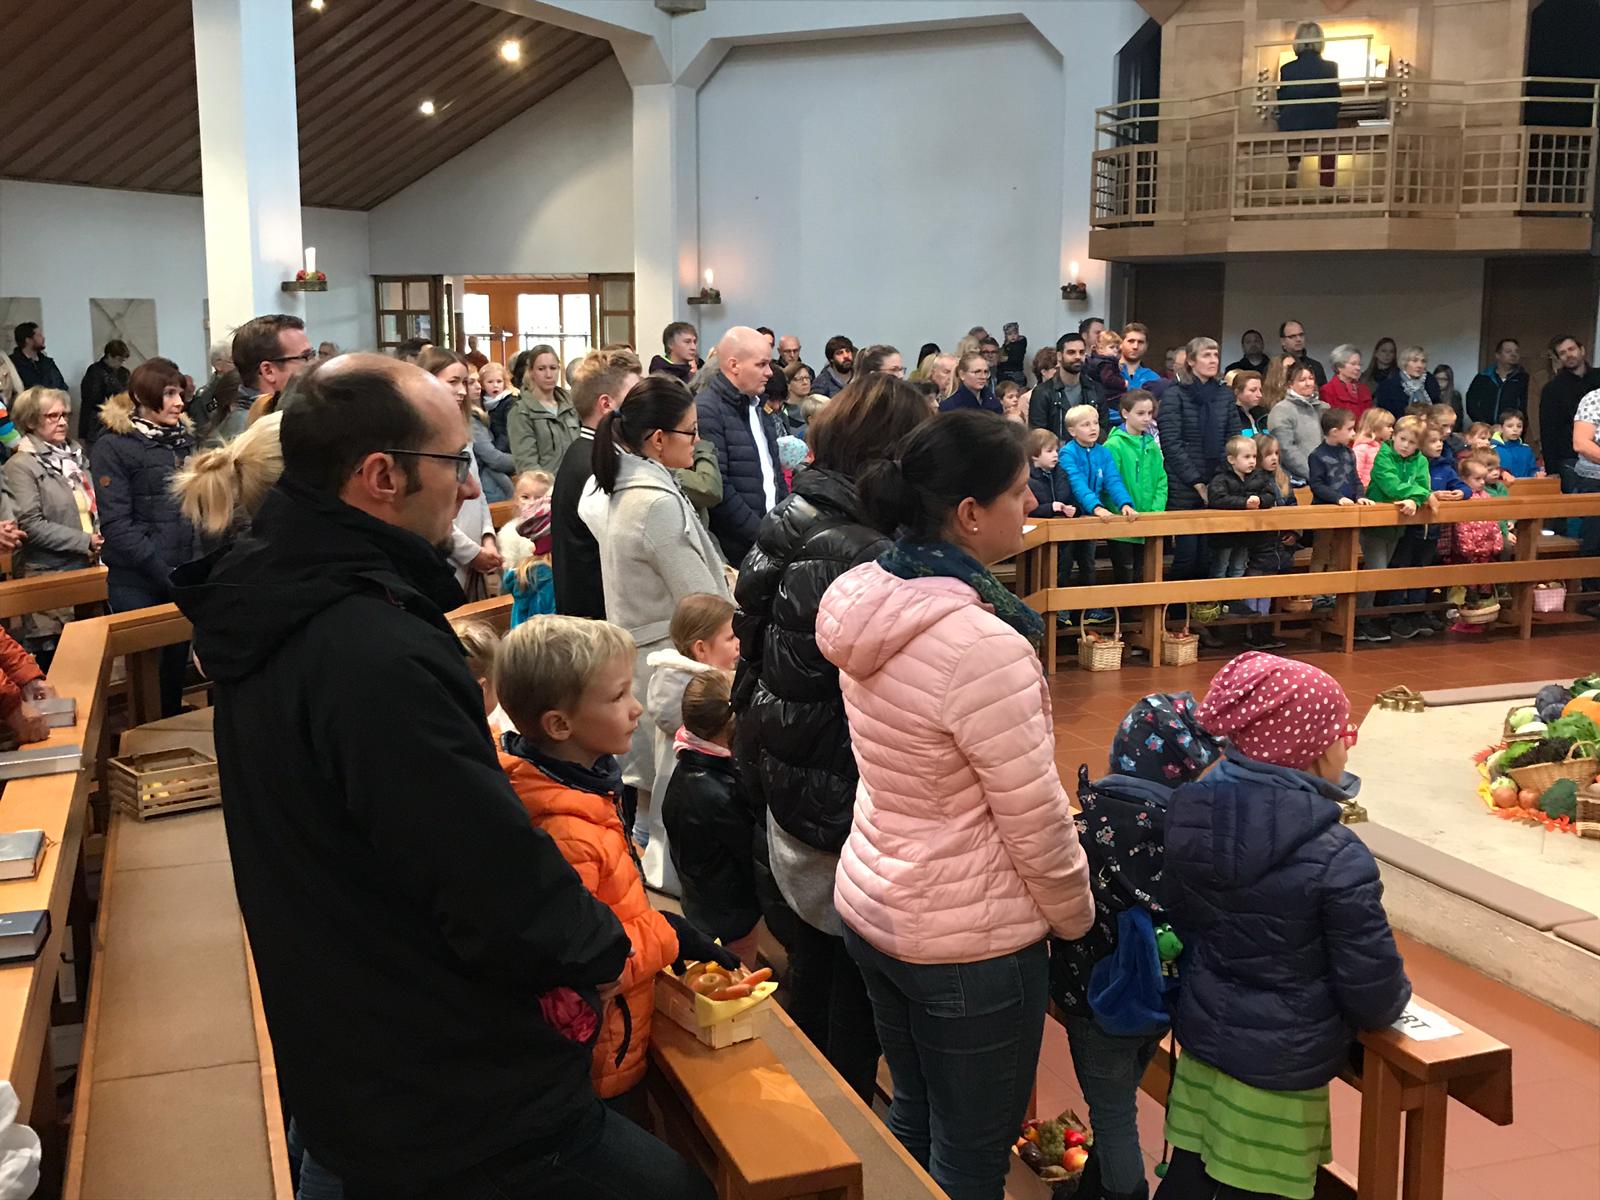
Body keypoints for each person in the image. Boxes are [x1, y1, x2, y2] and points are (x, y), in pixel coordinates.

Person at [170, 356, 719, 1198]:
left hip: (350, 1039)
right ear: (381, 476)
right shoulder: (368, 646)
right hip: (436, 1076)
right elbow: (479, 872)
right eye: (455, 462)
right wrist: (607, 946)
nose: (469, 488)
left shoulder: (278, 595)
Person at [816, 409, 1093, 1200]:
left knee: (913, 1117)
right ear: (971, 515)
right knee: (970, 1156)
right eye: (1018, 489)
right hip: (965, 940)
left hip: (878, 895)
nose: (1033, 502)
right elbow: (1034, 818)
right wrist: (1075, 918)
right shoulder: (980, 646)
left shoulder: (865, 595)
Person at [732, 374, 928, 1101]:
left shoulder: (800, 511)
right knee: (847, 979)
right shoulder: (856, 546)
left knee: (818, 960)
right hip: (827, 775)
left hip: (786, 761)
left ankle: (823, 1101)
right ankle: (840, 1122)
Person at [1157, 653, 1410, 1200]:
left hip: (1204, 1050)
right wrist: (1392, 1008)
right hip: (1281, 1073)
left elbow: (1182, 913)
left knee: (1192, 1176)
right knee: (1264, 1187)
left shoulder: (1190, 813)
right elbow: (1371, 987)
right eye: (1346, 734)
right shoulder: (1336, 855)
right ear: (1318, 752)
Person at [494, 614, 734, 1129]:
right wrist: (664, 933)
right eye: (619, 696)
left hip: (618, 1036)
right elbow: (583, 969)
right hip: (599, 1059)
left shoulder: (581, 788)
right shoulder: (564, 832)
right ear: (561, 724)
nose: (637, 708)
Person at [1050, 694, 1221, 1200]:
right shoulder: (1196, 840)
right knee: (1119, 1102)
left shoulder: (1084, 831)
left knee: (1114, 1114)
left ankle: (1126, 1194)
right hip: (1160, 1002)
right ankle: (1095, 1189)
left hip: (1094, 1002)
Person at [580, 374, 732, 858]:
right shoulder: (655, 503)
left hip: (649, 653)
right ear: (659, 439)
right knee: (662, 794)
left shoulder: (634, 487)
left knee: (651, 790)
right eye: (691, 431)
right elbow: (699, 598)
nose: (699, 439)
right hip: (669, 660)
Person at [91, 357, 198, 715]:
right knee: (146, 674)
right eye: (168, 394)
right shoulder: (113, 445)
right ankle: (143, 739)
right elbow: (117, 524)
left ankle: (168, 731)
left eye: (180, 392)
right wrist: (165, 571)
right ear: (141, 395)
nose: (178, 402)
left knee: (173, 670)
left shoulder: (183, 441)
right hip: (137, 578)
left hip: (181, 570)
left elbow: (194, 508)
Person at [643, 592, 740, 900]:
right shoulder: (703, 699)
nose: (739, 644)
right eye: (730, 637)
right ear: (701, 649)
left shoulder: (671, 682)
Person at [664, 668, 764, 965]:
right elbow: (749, 854)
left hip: (699, 898)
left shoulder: (684, 767)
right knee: (736, 969)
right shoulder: (722, 791)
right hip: (731, 913)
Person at [3, 388, 103, 666]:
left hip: (87, 569)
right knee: (59, 662)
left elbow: (90, 504)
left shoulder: (75, 458)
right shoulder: (20, 465)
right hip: (47, 573)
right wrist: (85, 541)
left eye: (64, 415)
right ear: (31, 421)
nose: (61, 422)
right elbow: (30, 524)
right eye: (51, 416)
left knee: (91, 660)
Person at [552, 348, 642, 620]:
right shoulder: (598, 464)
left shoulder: (586, 450)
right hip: (599, 618)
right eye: (634, 397)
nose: (643, 406)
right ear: (606, 404)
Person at [697, 326, 788, 566]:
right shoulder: (708, 410)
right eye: (761, 365)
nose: (770, 373)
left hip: (768, 540)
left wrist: (785, 522)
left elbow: (774, 470)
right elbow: (720, 488)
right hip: (738, 547)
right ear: (734, 365)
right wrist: (762, 535)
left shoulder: (758, 405)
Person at [418, 348, 501, 595]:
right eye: (453, 382)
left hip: (475, 545)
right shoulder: (422, 437)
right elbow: (428, 509)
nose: (463, 391)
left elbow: (477, 491)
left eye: (465, 382)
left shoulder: (461, 429)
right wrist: (471, 552)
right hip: (447, 552)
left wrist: (487, 536)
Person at [1159, 336, 1243, 579]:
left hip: (1217, 479)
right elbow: (1171, 443)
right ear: (1192, 361)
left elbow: (1233, 436)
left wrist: (1221, 479)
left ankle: (1201, 611)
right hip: (1184, 484)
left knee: (1208, 555)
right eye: (1206, 355)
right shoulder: (1175, 394)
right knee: (1187, 555)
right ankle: (1175, 612)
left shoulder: (1224, 394)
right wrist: (1197, 482)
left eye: (1216, 355)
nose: (1213, 360)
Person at [1360, 415, 1437, 641]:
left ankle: (1369, 615)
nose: (1405, 446)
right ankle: (1361, 617)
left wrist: (1416, 498)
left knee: (1384, 571)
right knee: (1377, 571)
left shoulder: (1420, 460)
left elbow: (1424, 485)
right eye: (1402, 439)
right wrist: (1417, 496)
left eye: (1412, 443)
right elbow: (1390, 484)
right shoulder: (1383, 455)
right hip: (1374, 524)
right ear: (1394, 435)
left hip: (1397, 526)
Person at [1105, 389, 1167, 584]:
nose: (1146, 418)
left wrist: (1156, 511)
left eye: (1150, 413)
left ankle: (1139, 614)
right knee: (1125, 574)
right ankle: (1124, 615)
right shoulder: (1113, 445)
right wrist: (1122, 508)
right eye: (1140, 413)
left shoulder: (1151, 444)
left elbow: (1161, 479)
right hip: (1122, 521)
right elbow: (1110, 481)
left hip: (1148, 519)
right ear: (1125, 413)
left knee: (1144, 573)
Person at [1276, 20, 1341, 190]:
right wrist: (1331, 112)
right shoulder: (1330, 67)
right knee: (1329, 137)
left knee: (1292, 118)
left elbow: (1282, 98)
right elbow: (1335, 97)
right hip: (1322, 121)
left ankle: (1293, 162)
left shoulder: (1287, 69)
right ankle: (1327, 183)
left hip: (1293, 123)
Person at [1447, 455, 1505, 633]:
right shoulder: (1464, 500)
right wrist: (1467, 547)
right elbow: (1462, 527)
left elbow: (1493, 523)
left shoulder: (1486, 496)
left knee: (1485, 585)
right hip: (1470, 552)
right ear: (1464, 479)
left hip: (1486, 551)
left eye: (1483, 478)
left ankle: (1481, 617)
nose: (1482, 482)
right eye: (1477, 479)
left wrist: (1497, 542)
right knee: (1468, 587)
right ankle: (1466, 619)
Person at [1208, 435, 1275, 584]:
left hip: (1246, 533)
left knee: (1239, 568)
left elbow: (1270, 495)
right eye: (1246, 457)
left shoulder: (1259, 477)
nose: (1252, 461)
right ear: (1231, 459)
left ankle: (1234, 603)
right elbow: (1217, 499)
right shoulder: (1221, 478)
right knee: (1221, 568)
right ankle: (1218, 602)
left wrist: (1260, 501)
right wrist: (1244, 503)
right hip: (1224, 534)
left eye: (1254, 456)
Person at [1539, 335, 1600, 490]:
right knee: (1583, 509)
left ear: (1582, 350)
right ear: (1559, 358)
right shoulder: (1552, 389)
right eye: (1563, 353)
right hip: (1570, 458)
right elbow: (1548, 430)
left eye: (1571, 349)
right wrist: (1552, 469)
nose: (1569, 355)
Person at [509, 344, 578, 474]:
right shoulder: (521, 412)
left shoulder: (571, 406)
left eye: (553, 368)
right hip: (545, 489)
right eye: (541, 369)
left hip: (578, 485)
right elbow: (527, 465)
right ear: (531, 372)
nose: (548, 374)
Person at [499, 470, 556, 626]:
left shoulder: (537, 572)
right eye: (525, 497)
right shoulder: (546, 577)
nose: (531, 503)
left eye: (538, 498)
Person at [1030, 333, 1101, 437]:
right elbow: (1038, 435)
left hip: (1090, 451)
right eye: (1071, 352)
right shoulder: (1042, 392)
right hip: (1056, 451)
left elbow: (1103, 429)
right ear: (1059, 356)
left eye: (1081, 352)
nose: (1078, 357)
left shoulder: (1095, 389)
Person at [1266, 362, 1327, 484]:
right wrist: (1313, 475)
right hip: (1297, 480)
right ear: (1290, 384)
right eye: (1302, 380)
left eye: (1311, 378)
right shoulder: (1281, 411)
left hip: (1325, 477)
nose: (1308, 383)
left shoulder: (1324, 408)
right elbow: (1286, 449)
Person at [1465, 338, 1529, 425]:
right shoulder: (1483, 377)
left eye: (1516, 352)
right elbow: (1471, 404)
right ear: (1497, 355)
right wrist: (1483, 424)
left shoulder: (1524, 379)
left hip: (1512, 430)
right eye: (1508, 351)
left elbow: (1526, 407)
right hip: (1485, 430)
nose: (1513, 354)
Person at [78, 339, 130, 443]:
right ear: (109, 356)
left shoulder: (124, 373)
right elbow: (91, 398)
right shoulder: (94, 371)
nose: (120, 363)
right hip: (96, 422)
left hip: (119, 420)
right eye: (119, 359)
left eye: (123, 360)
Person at [1374, 343, 1440, 419]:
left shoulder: (1431, 382)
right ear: (1404, 363)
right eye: (1415, 361)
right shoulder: (1389, 386)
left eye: (1423, 361)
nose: (1420, 365)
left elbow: (1437, 408)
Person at [187, 340, 235, 428]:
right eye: (232, 361)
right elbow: (202, 432)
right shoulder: (204, 397)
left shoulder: (243, 388)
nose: (237, 366)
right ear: (218, 365)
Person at [1320, 343, 1372, 423]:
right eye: (1353, 364)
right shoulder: (1327, 390)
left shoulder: (1364, 389)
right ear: (1339, 366)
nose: (1358, 368)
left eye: (1359, 364)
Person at [9, 324, 67, 395]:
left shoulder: (47, 362)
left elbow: (62, 385)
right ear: (28, 340)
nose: (43, 338)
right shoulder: (12, 364)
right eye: (39, 335)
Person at [942, 351, 1001, 415]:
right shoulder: (951, 407)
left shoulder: (993, 402)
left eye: (986, 372)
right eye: (977, 372)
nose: (983, 376)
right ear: (962, 374)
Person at [1352, 407, 1394, 487]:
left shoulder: (1385, 448)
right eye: (1388, 426)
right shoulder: (1361, 448)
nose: (1392, 430)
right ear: (1375, 427)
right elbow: (1356, 474)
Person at [1279, 320, 1327, 389]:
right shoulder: (1276, 367)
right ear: (1283, 341)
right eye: (1292, 336)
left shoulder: (1316, 366)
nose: (1298, 339)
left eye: (1301, 335)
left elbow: (1323, 393)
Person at [1492, 410, 1539, 478]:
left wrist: (1536, 474)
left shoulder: (1527, 450)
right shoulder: (1492, 450)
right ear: (1501, 428)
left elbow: (1532, 470)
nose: (1515, 429)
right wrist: (1501, 473)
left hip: (1525, 487)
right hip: (1501, 487)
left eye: (1519, 426)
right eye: (1510, 426)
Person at [1118, 323, 1161, 390]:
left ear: (1146, 346)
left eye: (1140, 342)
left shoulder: (1153, 378)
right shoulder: (1108, 372)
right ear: (1121, 343)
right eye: (1131, 341)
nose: (1135, 346)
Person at [1232, 370, 1266, 436]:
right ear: (1237, 391)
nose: (1259, 395)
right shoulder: (1230, 416)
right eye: (1253, 390)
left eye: (1260, 390)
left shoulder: (1263, 415)